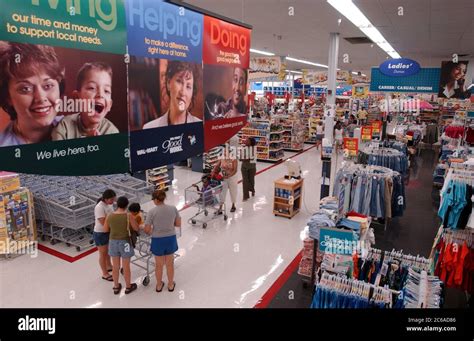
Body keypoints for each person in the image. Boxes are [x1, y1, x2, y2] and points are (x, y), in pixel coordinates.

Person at [0, 42, 64, 146]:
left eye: (48, 85)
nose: (41, 98)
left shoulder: (79, 128)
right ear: (8, 97)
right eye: (25, 89)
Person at [51, 62, 118, 140]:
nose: (101, 95)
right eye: (92, 88)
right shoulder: (64, 127)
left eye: (106, 91)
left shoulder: (112, 132)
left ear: (109, 105)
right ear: (77, 98)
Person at [143, 61, 201, 128]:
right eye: (179, 81)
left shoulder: (200, 127)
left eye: (188, 86)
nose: (183, 92)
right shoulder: (149, 128)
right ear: (168, 83)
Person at [144, 190, 181, 293]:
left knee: (159, 265)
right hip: (170, 238)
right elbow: (178, 223)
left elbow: (147, 230)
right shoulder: (173, 209)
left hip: (157, 240)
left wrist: (155, 231)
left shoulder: (152, 212)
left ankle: (159, 285)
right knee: (170, 264)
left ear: (156, 199)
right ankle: (170, 284)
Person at [103, 196, 139, 295]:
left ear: (117, 204)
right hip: (125, 243)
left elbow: (105, 230)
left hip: (113, 242)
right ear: (127, 205)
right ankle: (128, 286)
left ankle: (116, 286)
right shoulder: (128, 216)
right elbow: (136, 228)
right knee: (126, 266)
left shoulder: (109, 215)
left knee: (115, 266)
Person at [93, 189, 116, 282]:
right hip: (100, 233)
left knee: (107, 251)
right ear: (106, 199)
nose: (113, 201)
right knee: (102, 253)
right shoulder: (99, 207)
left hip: (108, 231)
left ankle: (109, 266)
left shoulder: (108, 205)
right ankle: (104, 273)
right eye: (111, 199)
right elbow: (103, 222)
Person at [212, 146, 238, 213]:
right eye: (224, 151)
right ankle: (220, 208)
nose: (225, 152)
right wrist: (213, 172)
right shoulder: (222, 157)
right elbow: (217, 166)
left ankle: (233, 205)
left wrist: (229, 175)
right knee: (222, 192)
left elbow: (235, 170)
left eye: (226, 151)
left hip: (232, 177)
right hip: (223, 178)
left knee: (233, 191)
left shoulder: (233, 159)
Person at [241, 137, 257, 201]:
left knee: (251, 180)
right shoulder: (243, 148)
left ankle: (252, 190)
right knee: (245, 181)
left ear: (251, 142)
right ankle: (245, 196)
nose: (245, 141)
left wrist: (243, 159)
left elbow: (251, 158)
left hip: (252, 167)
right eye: (246, 140)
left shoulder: (254, 149)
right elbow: (241, 156)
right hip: (244, 167)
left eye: (247, 141)